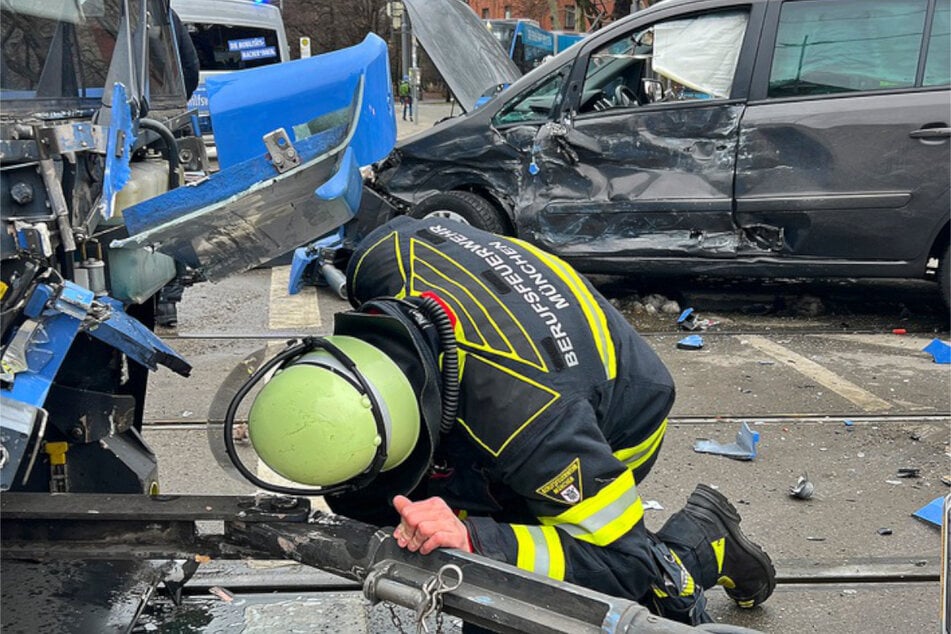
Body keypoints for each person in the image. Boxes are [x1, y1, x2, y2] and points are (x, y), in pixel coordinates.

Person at [246, 216, 776, 626]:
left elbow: (622, 559)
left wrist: (475, 539)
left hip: (617, 416)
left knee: (527, 591)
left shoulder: (539, 432)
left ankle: (703, 543)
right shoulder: (383, 256)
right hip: (536, 382)